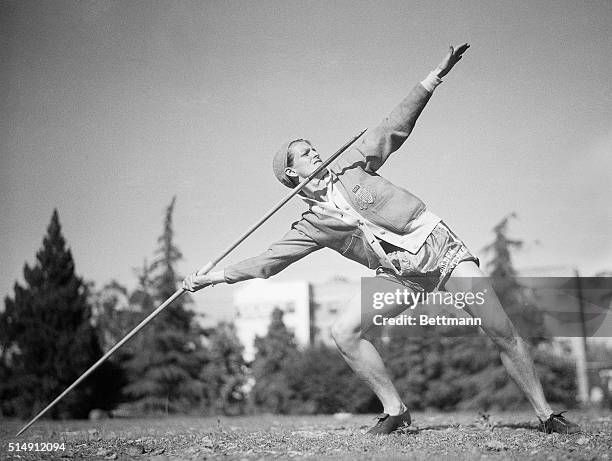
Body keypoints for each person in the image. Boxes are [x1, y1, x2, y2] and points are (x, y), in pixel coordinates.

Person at [183, 44, 580, 435]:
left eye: (312, 148)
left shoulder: (353, 164)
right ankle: (396, 410)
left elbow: (394, 126)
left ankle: (547, 415)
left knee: (500, 329)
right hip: (400, 277)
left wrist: (433, 79)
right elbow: (268, 262)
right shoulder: (310, 225)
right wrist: (212, 277)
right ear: (291, 175)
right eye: (304, 154)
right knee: (343, 332)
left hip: (439, 250)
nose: (315, 152)